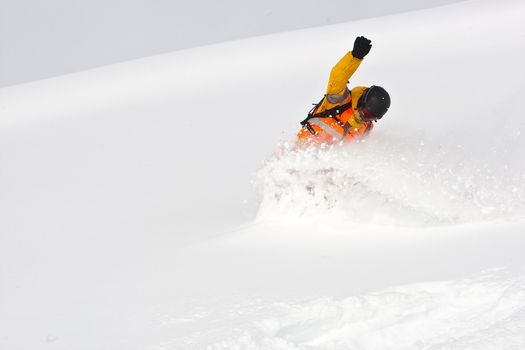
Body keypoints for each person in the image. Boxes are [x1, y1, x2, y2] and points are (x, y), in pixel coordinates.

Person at [297, 36, 391, 145]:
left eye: (371, 117)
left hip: (328, 159)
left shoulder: (366, 127)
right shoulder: (339, 100)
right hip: (303, 147)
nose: (365, 118)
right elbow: (338, 76)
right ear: (362, 101)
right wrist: (355, 57)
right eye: (365, 113)